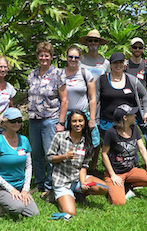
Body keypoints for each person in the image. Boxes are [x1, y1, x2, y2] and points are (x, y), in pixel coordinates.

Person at [47, 110, 108, 215]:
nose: (77, 124)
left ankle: (78, 193)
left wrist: (83, 182)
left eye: (80, 121)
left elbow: (83, 167)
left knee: (103, 188)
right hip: (62, 181)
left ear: (85, 122)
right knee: (70, 212)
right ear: (69, 123)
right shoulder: (60, 137)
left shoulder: (86, 141)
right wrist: (64, 156)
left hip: (77, 180)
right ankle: (55, 195)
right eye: (74, 121)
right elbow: (49, 157)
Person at [27, 42, 67, 197]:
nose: (43, 58)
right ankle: (39, 183)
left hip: (50, 119)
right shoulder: (32, 74)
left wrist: (61, 122)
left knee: (50, 154)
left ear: (51, 57)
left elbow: (64, 100)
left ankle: (51, 185)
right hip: (33, 119)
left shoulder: (58, 74)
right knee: (36, 153)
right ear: (37, 56)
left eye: (47, 55)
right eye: (41, 55)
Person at [102, 105, 147, 205]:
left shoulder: (134, 128)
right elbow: (104, 154)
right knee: (118, 202)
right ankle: (115, 186)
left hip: (130, 170)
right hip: (116, 173)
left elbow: (142, 149)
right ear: (125, 118)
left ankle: (128, 184)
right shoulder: (111, 133)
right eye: (132, 114)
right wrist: (113, 175)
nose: (135, 115)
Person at [0, 108, 39, 217]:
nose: (16, 123)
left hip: (20, 186)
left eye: (19, 120)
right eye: (12, 121)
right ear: (5, 123)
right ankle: (1, 204)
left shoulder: (24, 140)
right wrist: (11, 190)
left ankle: (17, 199)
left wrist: (25, 189)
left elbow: (28, 166)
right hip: (1, 187)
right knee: (18, 208)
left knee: (34, 213)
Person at [64, 45, 100, 174]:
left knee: (92, 142)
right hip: (67, 115)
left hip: (83, 114)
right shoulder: (60, 74)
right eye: (70, 57)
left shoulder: (85, 73)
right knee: (69, 143)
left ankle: (88, 168)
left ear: (79, 58)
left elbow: (92, 98)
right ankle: (70, 170)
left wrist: (92, 118)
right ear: (66, 57)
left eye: (76, 57)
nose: (73, 59)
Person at [97, 52, 147, 138]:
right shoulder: (102, 80)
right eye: (115, 62)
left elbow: (144, 95)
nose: (118, 65)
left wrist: (146, 112)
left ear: (124, 64)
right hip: (107, 123)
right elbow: (94, 99)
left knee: (129, 149)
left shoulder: (132, 80)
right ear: (110, 65)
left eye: (120, 62)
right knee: (109, 149)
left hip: (128, 123)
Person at [124, 37, 147, 165]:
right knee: (130, 136)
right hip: (129, 106)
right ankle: (134, 164)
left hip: (144, 105)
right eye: (135, 47)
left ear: (143, 49)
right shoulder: (125, 65)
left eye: (140, 47)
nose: (137, 49)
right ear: (131, 48)